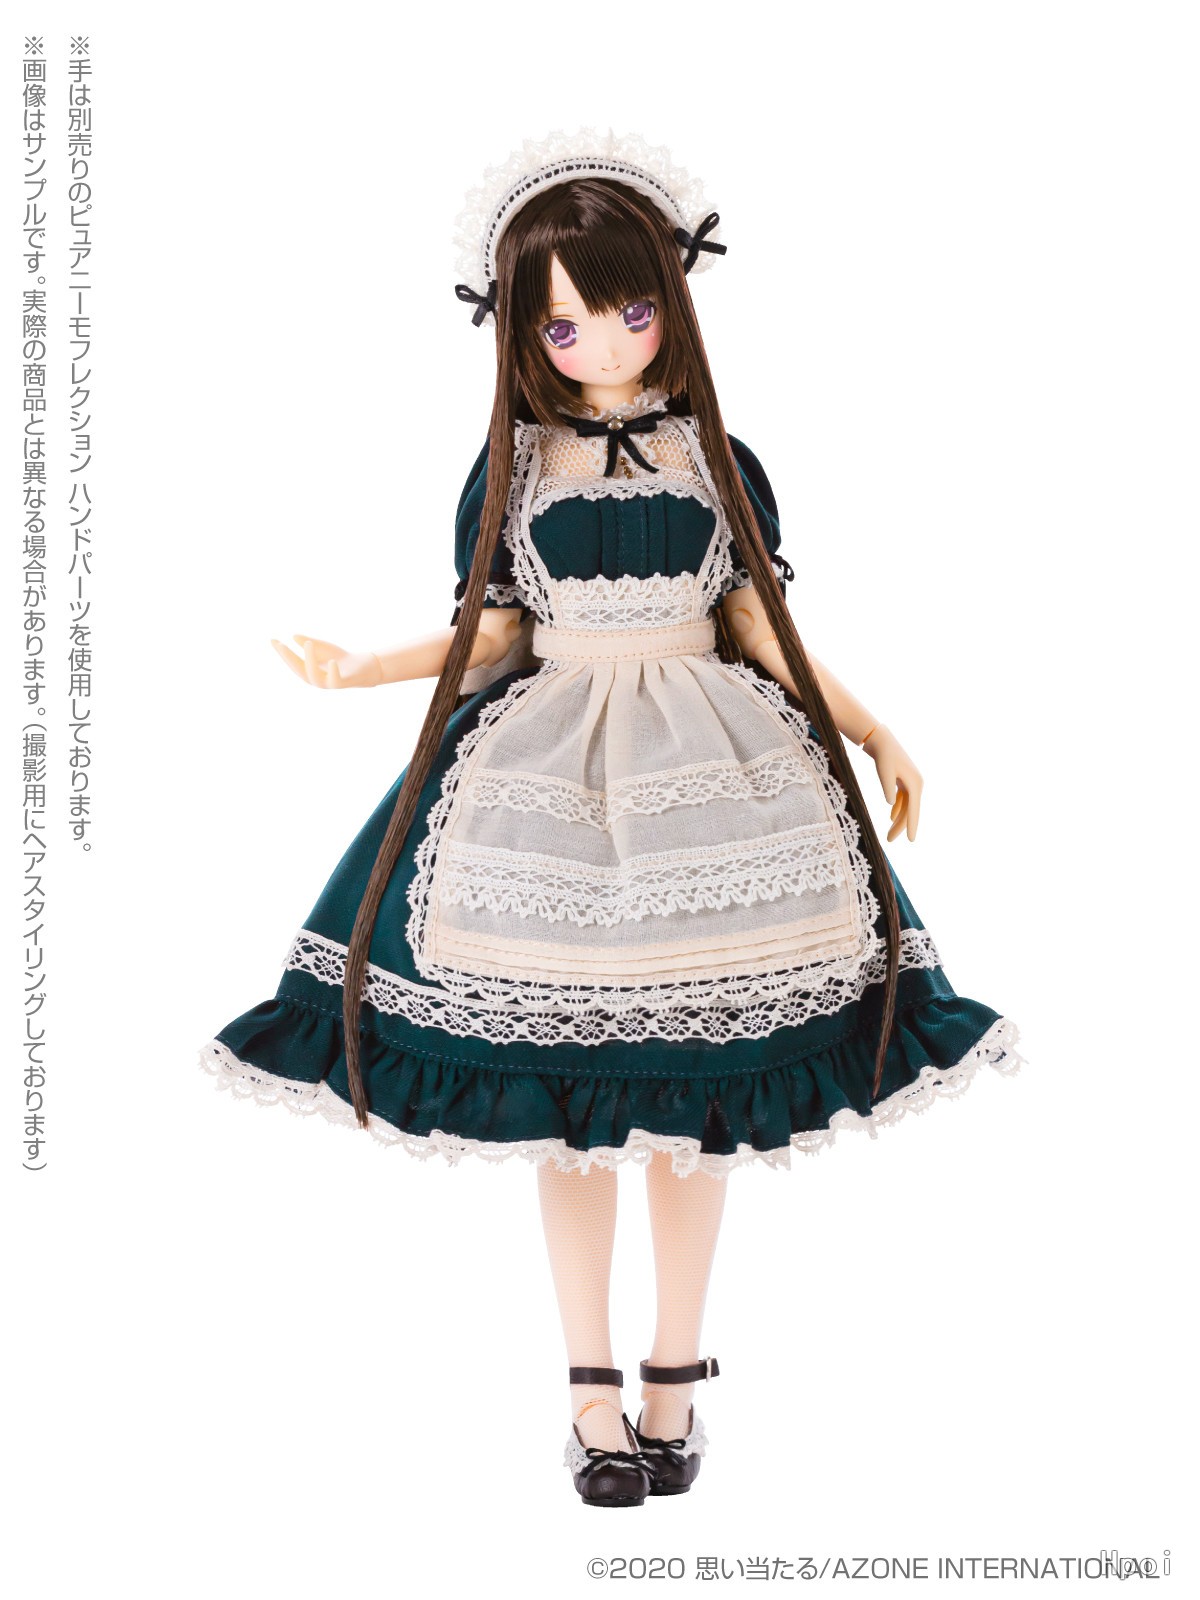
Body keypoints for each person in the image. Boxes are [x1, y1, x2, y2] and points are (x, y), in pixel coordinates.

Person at [200, 130, 1022, 1508]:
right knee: (566, 1106)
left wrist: (873, 727)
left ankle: (675, 1380)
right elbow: (492, 638)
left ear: (675, 299)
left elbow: (757, 623)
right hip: (550, 788)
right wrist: (365, 668)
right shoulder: (513, 467)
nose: (598, 341)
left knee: (702, 1095)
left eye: (628, 308)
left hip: (714, 784)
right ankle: (591, 1392)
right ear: (521, 330)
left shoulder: (717, 460)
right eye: (563, 323)